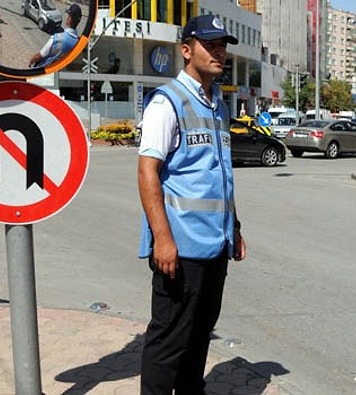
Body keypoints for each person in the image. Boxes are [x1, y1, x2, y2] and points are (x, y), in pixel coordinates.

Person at [137, 14, 245, 394]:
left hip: (215, 245)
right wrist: (162, 239)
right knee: (169, 341)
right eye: (210, 45)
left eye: (223, 45)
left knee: (200, 336)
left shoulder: (218, 104)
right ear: (186, 50)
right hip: (180, 248)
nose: (220, 52)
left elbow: (218, 174)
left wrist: (235, 228)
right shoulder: (168, 102)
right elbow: (148, 172)